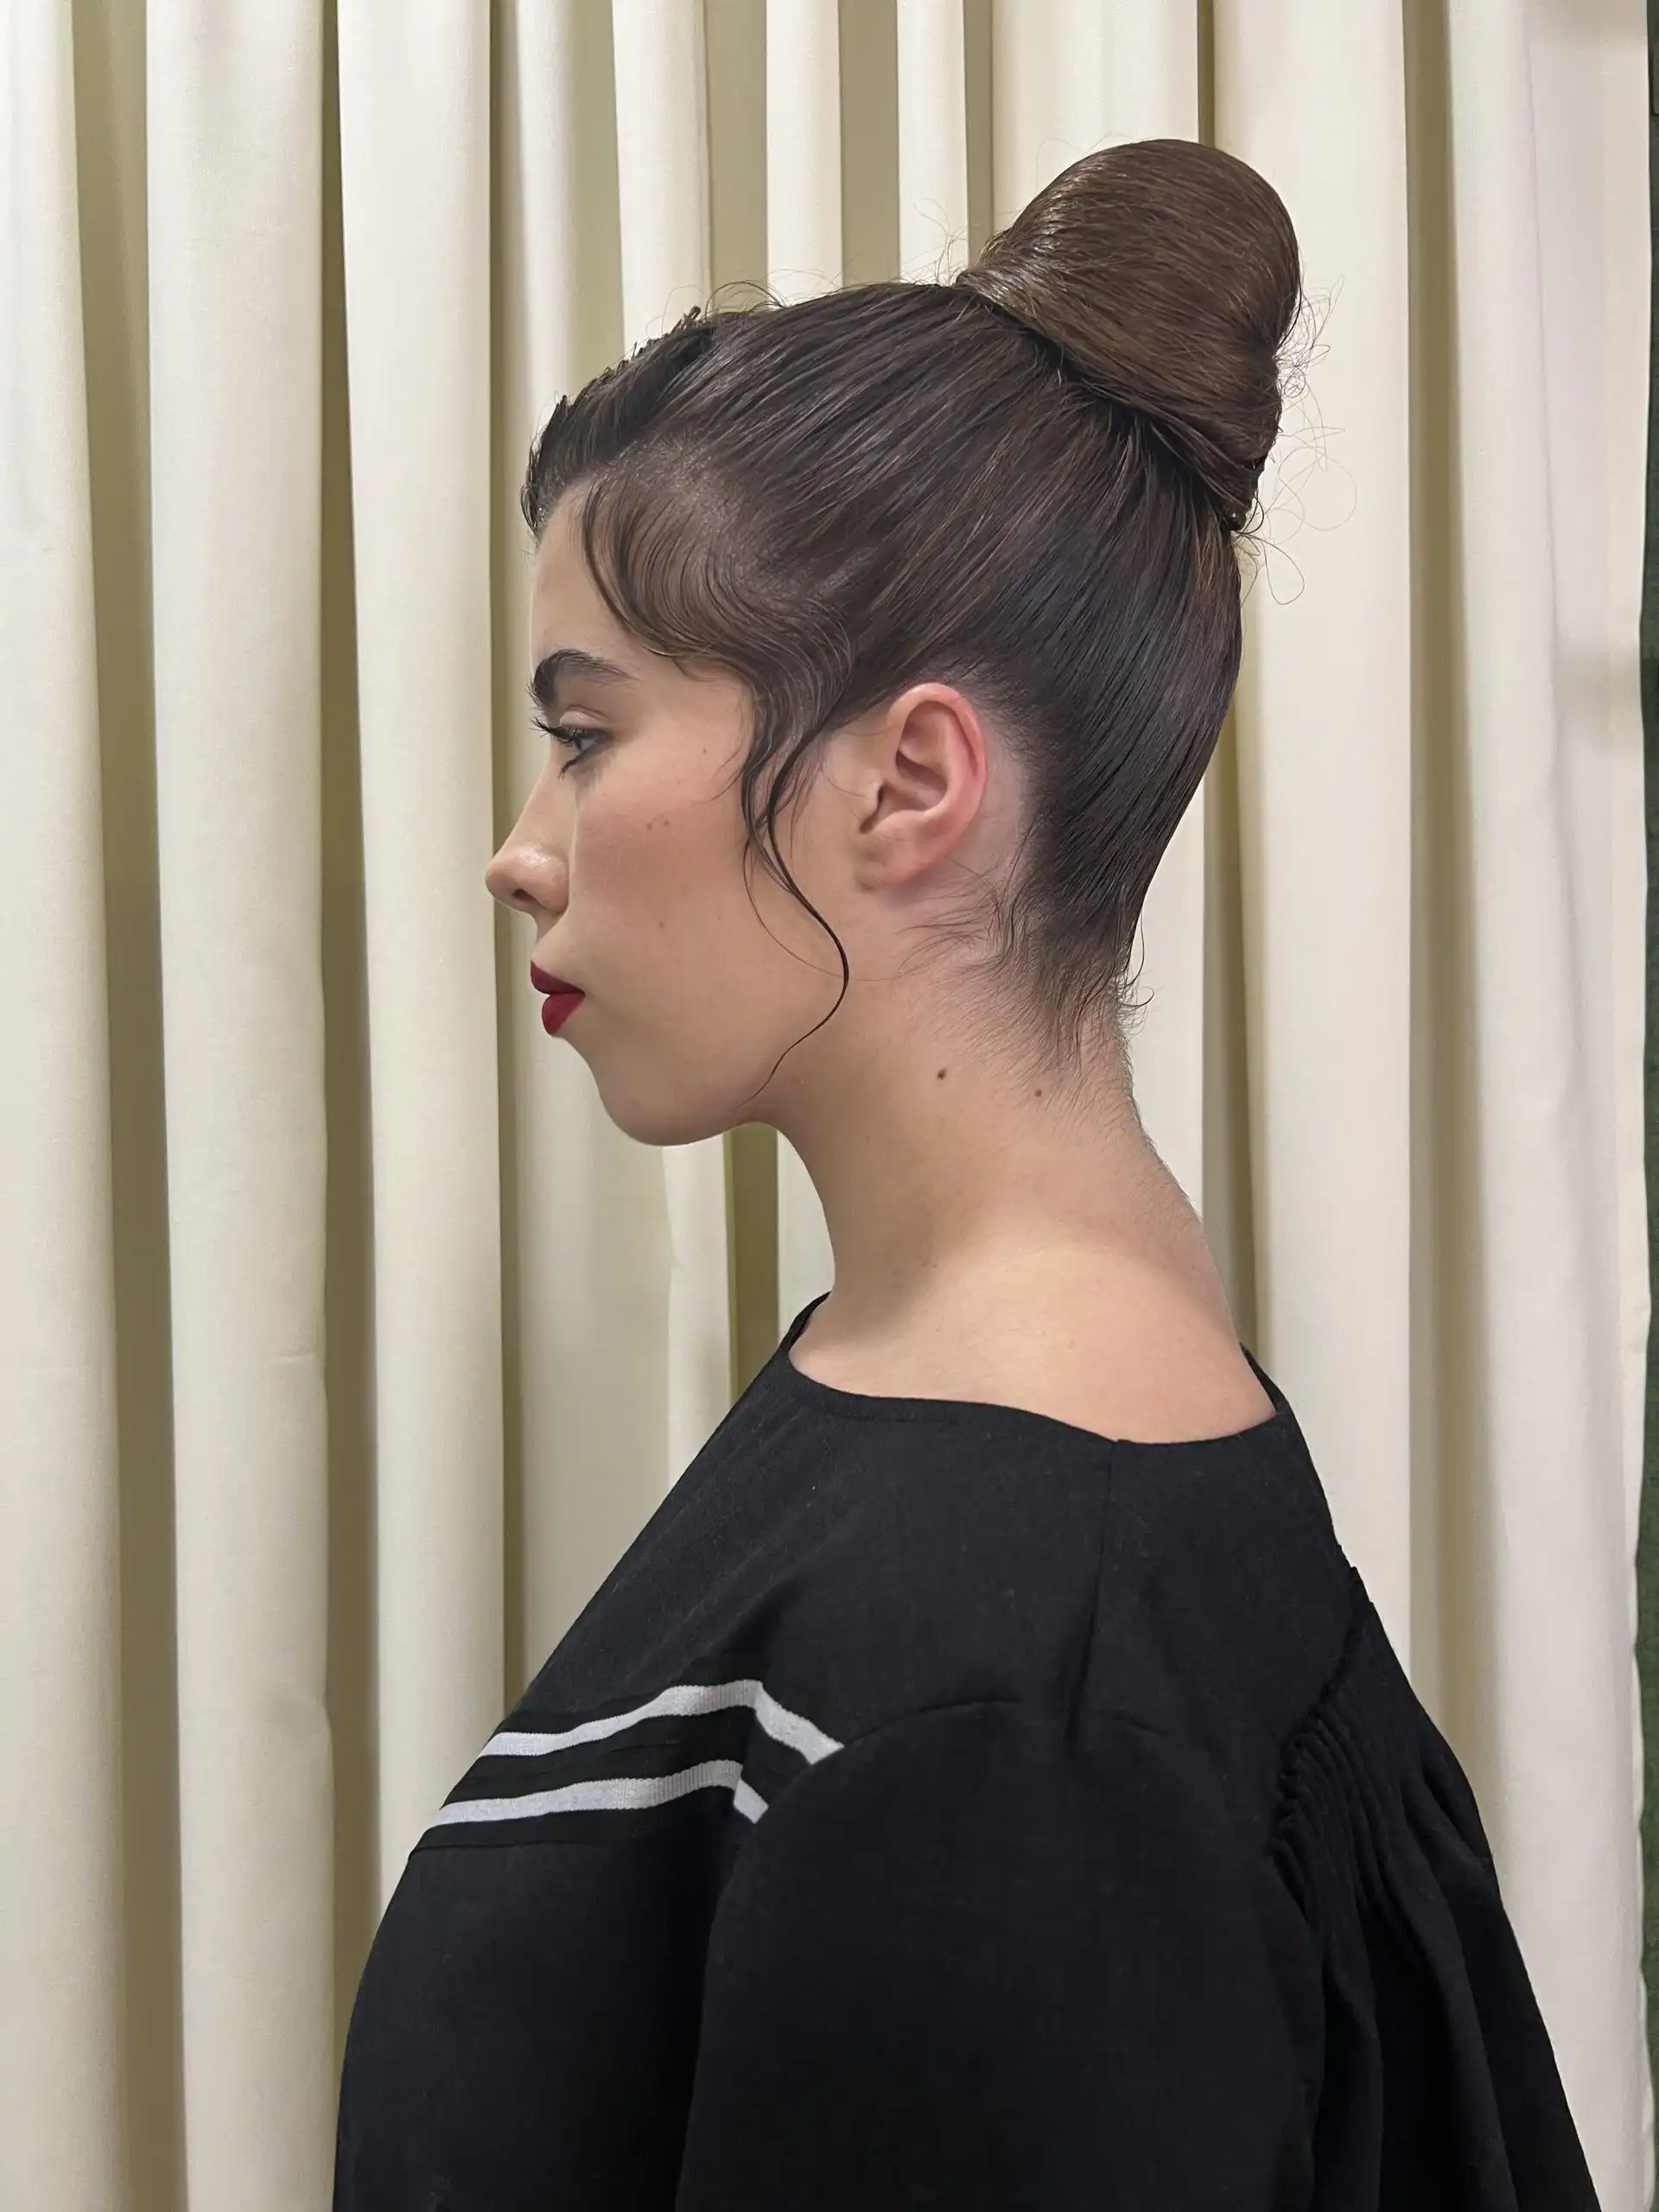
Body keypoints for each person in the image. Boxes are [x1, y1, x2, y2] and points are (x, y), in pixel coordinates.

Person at [332, 137, 1599, 2209]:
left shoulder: (1006, 1724)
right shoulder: (981, 1424)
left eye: (587, 732)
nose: (521, 849)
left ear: (909, 779)